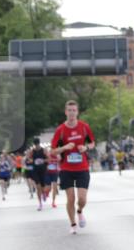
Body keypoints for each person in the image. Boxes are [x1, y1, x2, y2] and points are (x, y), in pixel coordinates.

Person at [49, 100, 96, 234]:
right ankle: (73, 224)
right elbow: (52, 151)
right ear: (65, 112)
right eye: (69, 110)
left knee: (82, 199)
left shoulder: (84, 127)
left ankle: (80, 211)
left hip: (82, 168)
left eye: (74, 110)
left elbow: (92, 143)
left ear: (77, 112)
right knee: (70, 199)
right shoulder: (61, 130)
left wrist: (85, 147)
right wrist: (64, 147)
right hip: (66, 169)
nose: (71, 113)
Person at [28, 138, 48, 211]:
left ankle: (44, 193)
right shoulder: (32, 152)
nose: (36, 146)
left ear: (39, 143)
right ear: (34, 144)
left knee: (43, 187)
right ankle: (40, 204)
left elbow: (49, 159)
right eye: (35, 145)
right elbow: (29, 159)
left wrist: (42, 160)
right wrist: (33, 160)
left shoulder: (44, 150)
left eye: (37, 144)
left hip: (43, 170)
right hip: (35, 171)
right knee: (38, 187)